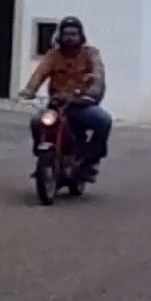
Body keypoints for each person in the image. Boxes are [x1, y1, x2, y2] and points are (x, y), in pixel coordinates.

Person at [17, 16, 112, 181]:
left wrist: (92, 93)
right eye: (66, 34)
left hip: (81, 104)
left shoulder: (90, 54)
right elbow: (40, 73)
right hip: (58, 104)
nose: (69, 38)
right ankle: (42, 157)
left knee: (103, 120)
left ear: (80, 36)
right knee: (36, 120)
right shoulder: (53, 55)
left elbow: (98, 76)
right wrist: (29, 90)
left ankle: (91, 159)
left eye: (73, 34)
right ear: (60, 35)